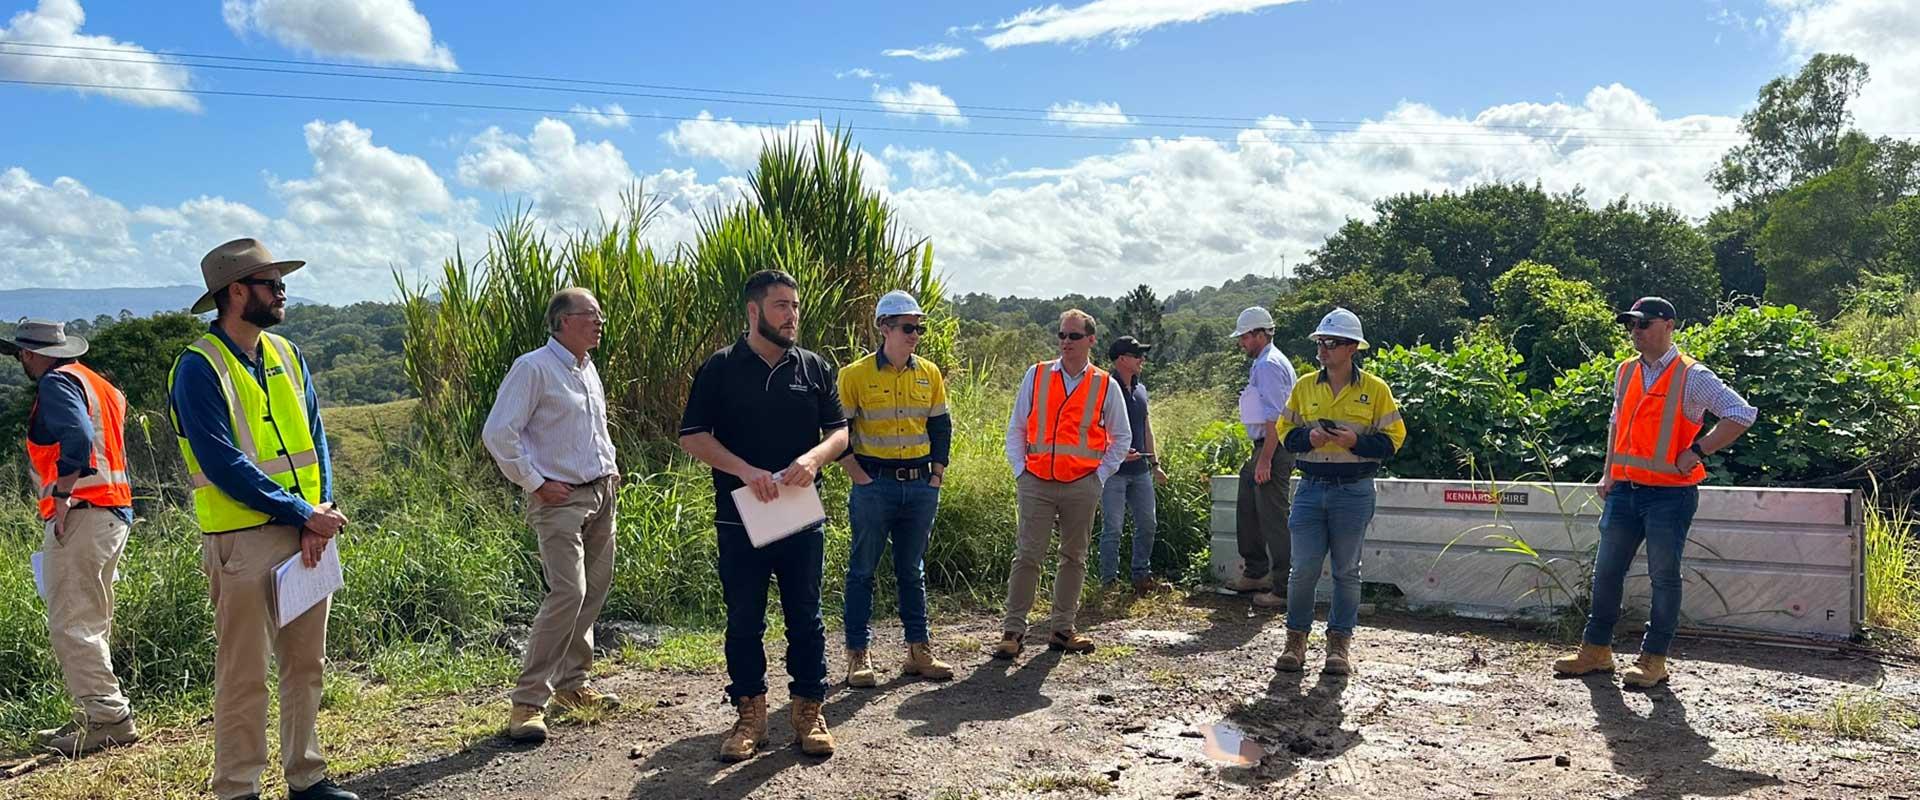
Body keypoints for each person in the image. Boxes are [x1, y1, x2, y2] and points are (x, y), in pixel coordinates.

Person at [168, 238, 357, 800]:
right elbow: (220, 460)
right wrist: (303, 512)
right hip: (241, 541)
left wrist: (315, 512)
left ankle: (307, 776)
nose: (282, 293)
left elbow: (316, 439)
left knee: (306, 664)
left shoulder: (287, 354)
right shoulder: (198, 367)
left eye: (280, 283)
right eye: (271, 284)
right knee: (245, 674)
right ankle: (237, 788)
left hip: (305, 535)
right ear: (236, 292)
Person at [679, 269, 848, 761]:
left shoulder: (813, 367)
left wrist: (815, 459)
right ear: (753, 312)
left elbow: (840, 432)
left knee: (807, 618)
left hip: (799, 516)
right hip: (741, 519)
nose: (792, 315)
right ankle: (750, 714)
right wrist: (744, 470)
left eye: (795, 306)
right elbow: (693, 435)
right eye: (781, 306)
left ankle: (808, 712)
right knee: (744, 620)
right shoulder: (720, 368)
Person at [1553, 297, 1757, 688]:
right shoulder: (1626, 371)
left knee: (1664, 576)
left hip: (1669, 496)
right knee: (1606, 573)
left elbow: (1741, 413)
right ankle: (1595, 651)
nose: (1636, 332)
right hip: (1624, 491)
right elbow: (1616, 423)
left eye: (1643, 324)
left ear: (1669, 325)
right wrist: (1608, 472)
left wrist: (1698, 451)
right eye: (1631, 325)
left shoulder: (1692, 376)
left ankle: (1654, 660)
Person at [483, 288, 623, 743]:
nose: (599, 321)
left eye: (600, 314)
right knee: (569, 591)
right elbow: (499, 433)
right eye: (590, 315)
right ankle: (527, 702)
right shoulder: (533, 368)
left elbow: (591, 430)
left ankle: (573, 686)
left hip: (601, 492)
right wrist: (535, 482)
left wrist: (611, 472)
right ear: (562, 321)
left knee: (593, 591)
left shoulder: (586, 368)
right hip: (559, 500)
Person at [4, 320, 136, 758]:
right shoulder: (98, 384)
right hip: (112, 512)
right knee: (92, 619)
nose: (22, 360)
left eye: (23, 354)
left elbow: (77, 438)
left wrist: (62, 494)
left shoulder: (57, 384)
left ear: (31, 354)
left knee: (72, 623)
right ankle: (98, 710)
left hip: (81, 514)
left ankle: (107, 718)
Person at [1274, 308, 1405, 676]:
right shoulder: (1303, 386)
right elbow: (1285, 431)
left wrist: (1356, 443)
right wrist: (1309, 437)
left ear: (1351, 348)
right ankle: (1295, 643)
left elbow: (1394, 439)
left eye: (1330, 343)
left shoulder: (1375, 390)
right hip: (1311, 489)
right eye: (1320, 342)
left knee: (1347, 571)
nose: (1322, 349)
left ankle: (1339, 647)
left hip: (1354, 489)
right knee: (1303, 570)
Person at [995, 309, 1131, 659]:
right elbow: (1017, 428)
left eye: (1073, 336)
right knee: (1027, 555)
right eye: (1061, 336)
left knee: (1074, 556)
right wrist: (1019, 470)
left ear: (1090, 340)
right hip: (1036, 480)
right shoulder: (1037, 375)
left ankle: (1062, 628)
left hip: (1081, 484)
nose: (1065, 342)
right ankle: (1013, 631)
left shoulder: (1105, 384)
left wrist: (1098, 477)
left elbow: (1121, 437)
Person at [837, 290, 955, 688]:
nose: (916, 334)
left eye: (919, 327)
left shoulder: (930, 373)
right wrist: (857, 475)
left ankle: (918, 650)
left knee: (912, 570)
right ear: (884, 328)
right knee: (862, 571)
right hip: (874, 485)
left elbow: (940, 426)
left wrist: (936, 476)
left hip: (920, 486)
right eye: (908, 326)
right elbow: (840, 433)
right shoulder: (854, 375)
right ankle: (858, 654)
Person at [1226, 306, 1298, 609]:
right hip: (1266, 447)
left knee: (1272, 516)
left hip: (1273, 446)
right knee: (1249, 505)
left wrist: (1266, 459)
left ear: (1258, 334)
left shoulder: (1268, 365)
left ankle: (1282, 587)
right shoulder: (1266, 362)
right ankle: (1257, 572)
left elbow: (1276, 418)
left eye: (1244, 336)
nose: (1241, 342)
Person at [1096, 335, 1169, 594]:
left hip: (1140, 471)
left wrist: (1155, 463)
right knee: (1112, 529)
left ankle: (1141, 576)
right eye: (1137, 355)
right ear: (1122, 360)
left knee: (1148, 523)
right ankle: (1109, 582)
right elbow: (1093, 429)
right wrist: (1114, 452)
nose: (1143, 360)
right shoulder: (1103, 388)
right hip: (1113, 472)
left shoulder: (1141, 390)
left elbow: (1146, 427)